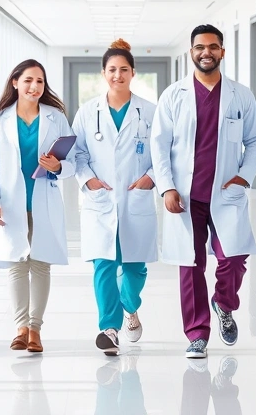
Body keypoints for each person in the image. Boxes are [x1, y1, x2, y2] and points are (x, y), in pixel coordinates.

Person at [150, 24, 256, 359]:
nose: (206, 52)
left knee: (234, 258)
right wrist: (167, 187)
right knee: (190, 265)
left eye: (213, 47)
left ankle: (224, 303)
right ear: (191, 52)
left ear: (222, 52)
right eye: (200, 47)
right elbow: (159, 145)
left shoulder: (240, 95)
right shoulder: (174, 95)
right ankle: (197, 334)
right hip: (186, 196)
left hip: (226, 192)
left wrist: (244, 176)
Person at [0, 59, 75, 354]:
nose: (35, 87)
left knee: (41, 263)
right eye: (28, 81)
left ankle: (35, 330)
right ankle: (20, 328)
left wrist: (58, 166)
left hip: (44, 199)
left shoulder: (55, 117)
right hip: (11, 203)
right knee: (17, 264)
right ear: (15, 83)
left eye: (40, 82)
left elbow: (72, 162)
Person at [72, 39, 157, 356]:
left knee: (135, 269)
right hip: (101, 200)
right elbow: (77, 153)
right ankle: (109, 328)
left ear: (133, 73)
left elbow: (165, 153)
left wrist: (152, 177)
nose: (117, 75)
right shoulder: (87, 112)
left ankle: (129, 306)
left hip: (136, 198)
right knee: (103, 265)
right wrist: (88, 179)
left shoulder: (150, 111)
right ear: (103, 73)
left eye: (123, 69)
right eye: (111, 69)